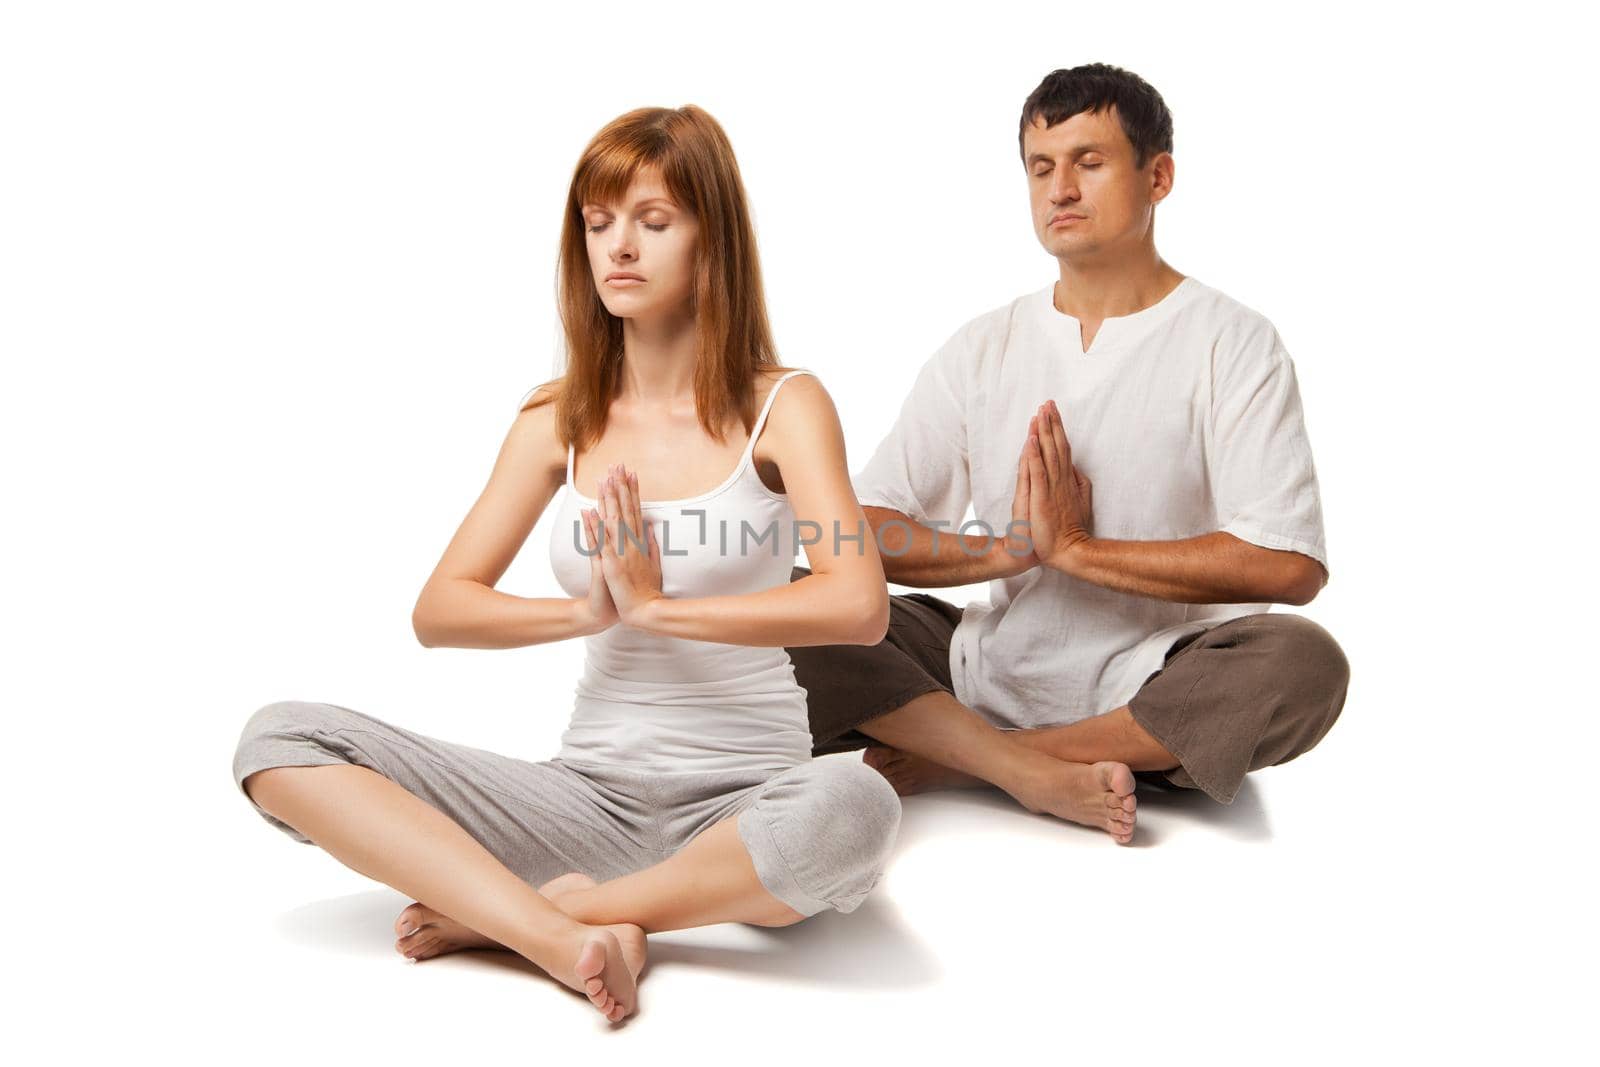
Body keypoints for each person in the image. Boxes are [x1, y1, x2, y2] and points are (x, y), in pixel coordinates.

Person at [232, 105, 901, 1024]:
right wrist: (592, 611)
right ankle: (566, 939)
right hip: (583, 796)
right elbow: (441, 609)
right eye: (599, 224)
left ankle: (548, 911)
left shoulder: (783, 406)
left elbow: (858, 603)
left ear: (713, 243)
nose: (618, 247)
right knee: (279, 740)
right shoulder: (558, 417)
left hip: (750, 797)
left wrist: (663, 609)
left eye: (653, 222)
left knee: (858, 805)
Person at [784, 63, 1350, 845]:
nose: (1060, 190)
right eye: (1041, 168)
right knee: (790, 597)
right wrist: (1008, 552)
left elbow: (1289, 563)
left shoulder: (1232, 341)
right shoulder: (985, 345)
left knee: (1303, 666)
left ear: (1159, 177)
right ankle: (1016, 763)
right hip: (983, 668)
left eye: (1090, 162)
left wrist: (1080, 551)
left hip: (1150, 677)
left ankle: (971, 760)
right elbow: (862, 528)